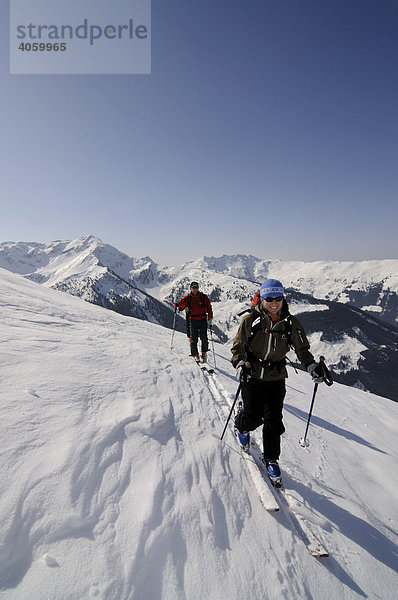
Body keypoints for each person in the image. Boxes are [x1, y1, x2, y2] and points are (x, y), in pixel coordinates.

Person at [230, 278, 325, 483]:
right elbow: (237, 348)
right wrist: (239, 365)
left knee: (273, 420)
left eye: (278, 298)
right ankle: (241, 425)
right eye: (269, 299)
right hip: (252, 374)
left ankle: (271, 458)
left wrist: (311, 367)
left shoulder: (290, 323)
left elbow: (302, 349)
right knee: (254, 416)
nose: (274, 303)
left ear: (283, 299)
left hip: (276, 378)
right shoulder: (250, 320)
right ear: (262, 299)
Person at [175, 282, 213, 362]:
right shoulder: (188, 298)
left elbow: (209, 307)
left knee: (204, 338)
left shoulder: (203, 297)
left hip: (202, 319)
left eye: (196, 287)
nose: (195, 289)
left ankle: (204, 353)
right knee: (193, 338)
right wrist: (177, 304)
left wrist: (210, 317)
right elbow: (181, 303)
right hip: (193, 320)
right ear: (191, 288)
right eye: (194, 288)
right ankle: (195, 354)